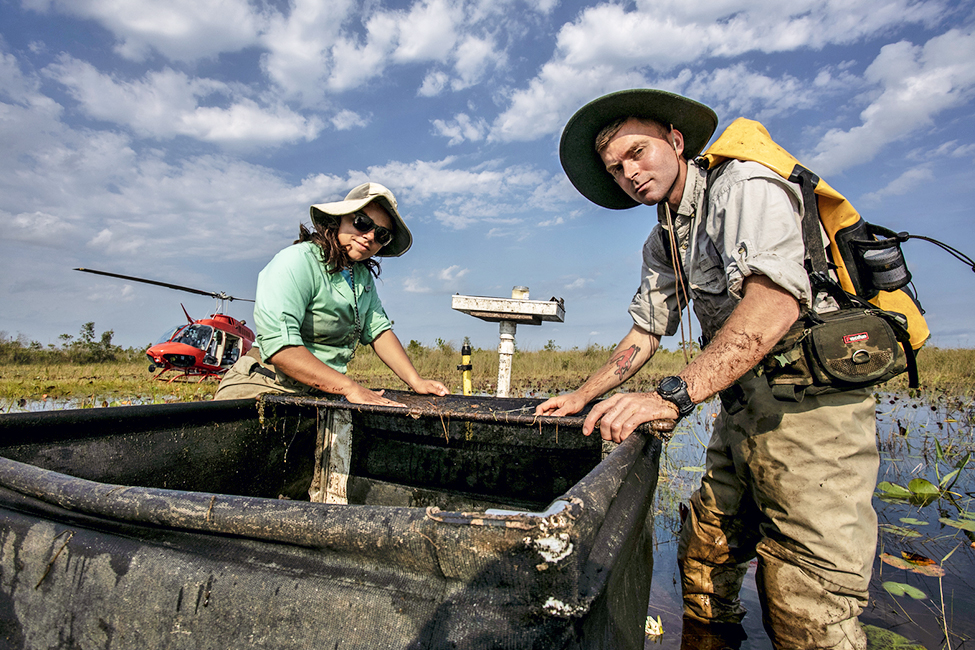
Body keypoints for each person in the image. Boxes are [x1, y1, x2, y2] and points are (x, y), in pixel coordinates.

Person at [536, 89, 878, 649]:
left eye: (639, 152)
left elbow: (774, 304)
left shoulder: (742, 186)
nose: (631, 173)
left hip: (813, 411)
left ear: (675, 140)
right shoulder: (664, 237)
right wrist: (582, 394)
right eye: (617, 168)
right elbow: (647, 331)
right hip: (743, 408)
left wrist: (672, 397)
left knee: (807, 602)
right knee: (705, 557)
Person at [215, 182, 448, 405]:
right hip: (263, 386)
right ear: (339, 220)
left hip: (318, 393)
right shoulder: (297, 261)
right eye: (362, 222)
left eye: (382, 235)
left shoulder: (361, 278)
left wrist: (415, 381)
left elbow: (379, 331)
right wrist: (350, 388)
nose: (369, 236)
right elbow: (280, 348)